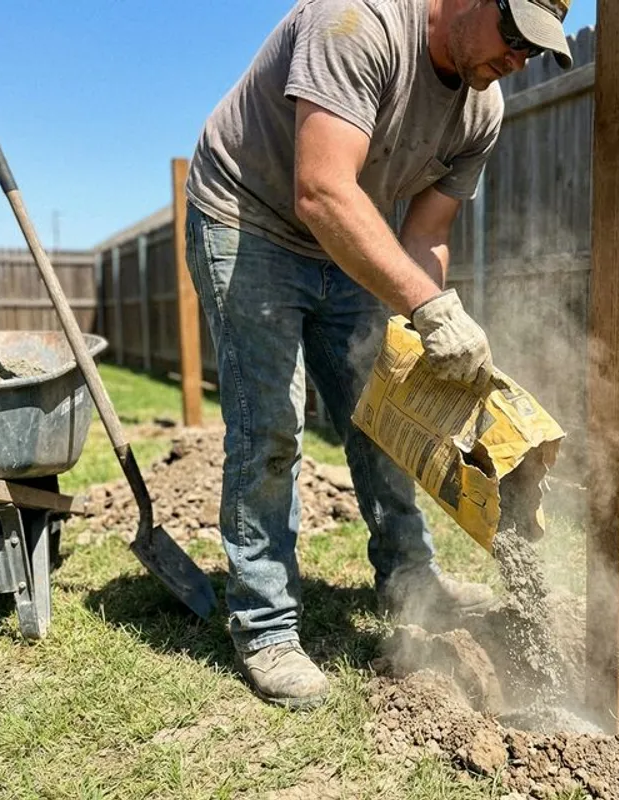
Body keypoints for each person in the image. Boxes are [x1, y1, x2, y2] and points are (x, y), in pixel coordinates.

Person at [185, 0, 573, 709]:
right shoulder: (357, 23)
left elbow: (425, 235)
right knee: (270, 427)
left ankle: (411, 579)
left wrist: (430, 325)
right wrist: (428, 306)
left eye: (536, 50)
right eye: (514, 34)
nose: (519, 59)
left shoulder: (481, 109)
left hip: (347, 236)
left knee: (387, 414)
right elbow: (321, 190)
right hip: (249, 218)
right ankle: (267, 626)